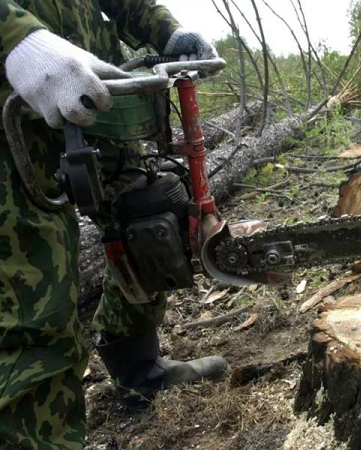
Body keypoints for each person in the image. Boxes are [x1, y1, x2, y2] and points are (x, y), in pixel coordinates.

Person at [0, 1, 228, 448]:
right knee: (31, 304)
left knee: (151, 224)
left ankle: (138, 371)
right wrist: (15, 39)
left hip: (96, 91)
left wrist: (166, 33)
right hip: (13, 114)